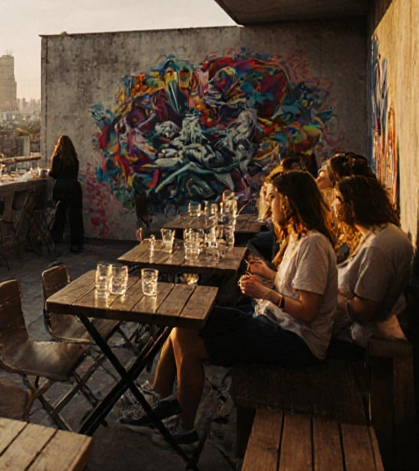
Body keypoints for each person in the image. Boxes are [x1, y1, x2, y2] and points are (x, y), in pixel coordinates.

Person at [127, 170, 338, 445]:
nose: (268, 203)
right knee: (184, 320)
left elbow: (308, 311)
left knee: (191, 347)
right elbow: (295, 286)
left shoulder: (313, 244)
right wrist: (269, 274)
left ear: (288, 202)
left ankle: (184, 426)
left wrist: (265, 292)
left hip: (297, 341)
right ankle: (162, 399)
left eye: (273, 197)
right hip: (271, 320)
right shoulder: (299, 237)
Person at [331, 175, 413, 346]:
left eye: (337, 199)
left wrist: (336, 295)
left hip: (358, 335)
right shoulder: (375, 234)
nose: (333, 205)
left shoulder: (378, 246)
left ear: (352, 204)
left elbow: (364, 310)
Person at [49, 135, 84, 252]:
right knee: (76, 216)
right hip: (74, 188)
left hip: (62, 189)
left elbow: (54, 174)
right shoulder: (74, 159)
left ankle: (56, 238)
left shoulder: (57, 158)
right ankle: (77, 243)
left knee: (60, 214)